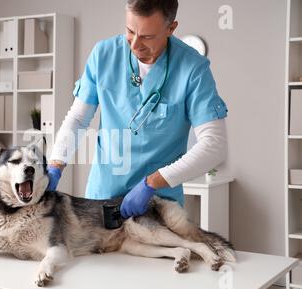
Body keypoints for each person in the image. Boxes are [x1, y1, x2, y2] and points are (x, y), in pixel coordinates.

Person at [46, 0, 228, 219]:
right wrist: (56, 164)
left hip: (159, 203)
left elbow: (214, 145)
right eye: (130, 31)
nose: (134, 45)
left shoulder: (193, 69)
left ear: (171, 28)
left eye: (147, 37)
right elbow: (78, 118)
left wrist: (152, 183)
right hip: (102, 196)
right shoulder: (104, 55)